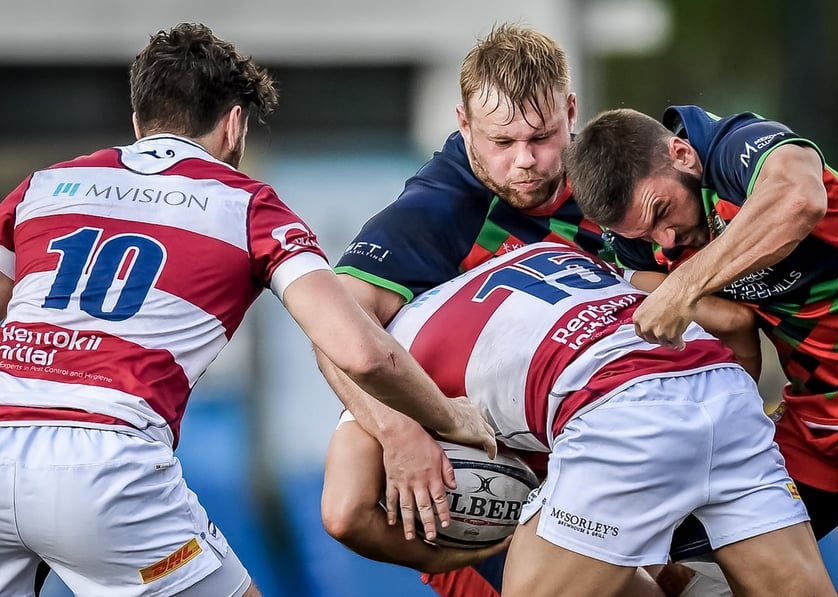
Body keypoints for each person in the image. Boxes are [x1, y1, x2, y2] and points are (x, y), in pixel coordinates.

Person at [0, 23, 494, 597]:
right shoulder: (250, 207)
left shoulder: (40, 187)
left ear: (139, 123)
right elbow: (362, 354)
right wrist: (450, 417)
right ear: (234, 123)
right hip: (105, 464)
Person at [316, 24, 728, 596]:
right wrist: (399, 432)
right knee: (348, 498)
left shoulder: (615, 185)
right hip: (492, 480)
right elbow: (334, 330)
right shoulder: (437, 210)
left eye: (542, 137)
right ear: (463, 125)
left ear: (571, 111)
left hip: (616, 438)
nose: (526, 162)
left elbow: (716, 306)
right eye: (501, 143)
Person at [564, 105, 838, 597]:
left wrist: (682, 284)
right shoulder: (650, 237)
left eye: (662, 215)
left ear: (681, 154)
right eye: (643, 236)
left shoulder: (735, 146)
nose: (665, 239)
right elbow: (735, 328)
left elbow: (799, 199)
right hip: (813, 420)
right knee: (672, 576)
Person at [375, 241, 838, 597]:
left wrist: (445, 556)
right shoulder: (556, 253)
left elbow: (344, 514)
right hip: (721, 382)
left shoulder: (394, 353)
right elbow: (734, 320)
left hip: (618, 409)